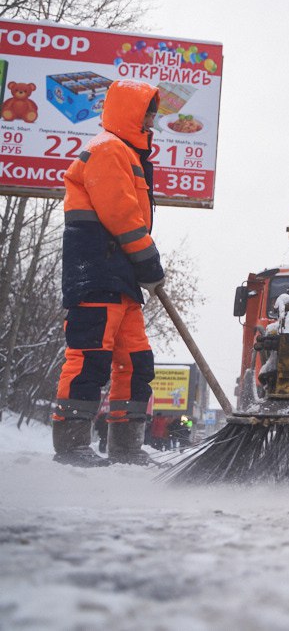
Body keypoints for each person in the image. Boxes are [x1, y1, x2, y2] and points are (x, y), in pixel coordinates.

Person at [52, 80, 165, 467]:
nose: (152, 120)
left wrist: (141, 268)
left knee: (136, 361)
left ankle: (125, 446)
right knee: (90, 357)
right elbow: (121, 216)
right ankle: (71, 445)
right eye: (148, 111)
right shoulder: (108, 150)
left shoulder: (128, 154)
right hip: (97, 270)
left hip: (121, 277)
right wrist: (149, 262)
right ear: (131, 112)